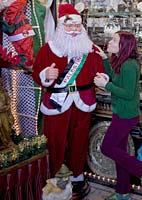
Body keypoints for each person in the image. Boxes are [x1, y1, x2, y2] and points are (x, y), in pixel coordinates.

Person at [32, 3, 104, 198]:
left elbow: (100, 71)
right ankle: (52, 178)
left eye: (77, 27)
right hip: (57, 101)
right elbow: (36, 73)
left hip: (83, 101)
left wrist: (102, 79)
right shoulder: (49, 49)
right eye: (69, 26)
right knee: (54, 141)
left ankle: (77, 177)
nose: (73, 30)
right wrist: (46, 73)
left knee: (79, 141)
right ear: (61, 26)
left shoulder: (90, 50)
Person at [94, 31, 142, 200]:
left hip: (125, 115)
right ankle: (122, 193)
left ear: (123, 46)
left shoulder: (129, 65)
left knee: (107, 148)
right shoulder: (121, 62)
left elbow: (128, 93)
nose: (110, 42)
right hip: (121, 112)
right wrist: (103, 57)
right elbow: (114, 75)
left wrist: (106, 85)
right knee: (120, 153)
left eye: (114, 40)